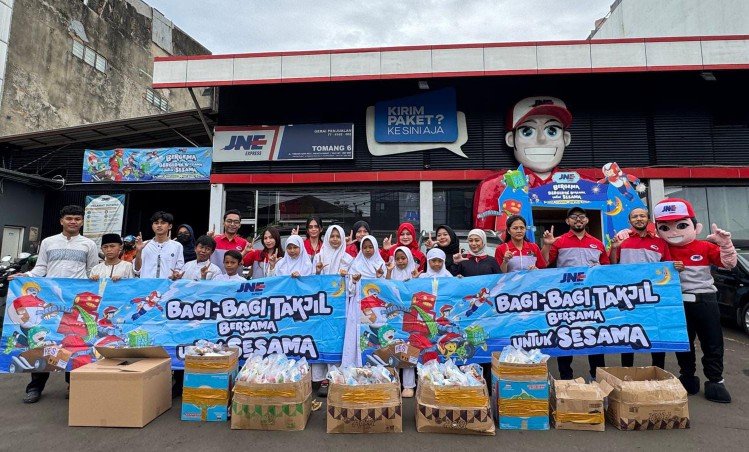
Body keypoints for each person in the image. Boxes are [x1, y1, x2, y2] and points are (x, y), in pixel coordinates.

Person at [9, 205, 99, 404]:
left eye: (77, 219)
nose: (73, 222)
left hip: (74, 303)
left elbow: (92, 270)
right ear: (61, 221)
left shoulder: (89, 244)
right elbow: (40, 268)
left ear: (82, 222)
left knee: (74, 342)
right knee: (44, 340)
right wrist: (25, 276)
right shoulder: (48, 242)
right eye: (69, 218)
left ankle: (73, 385)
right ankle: (35, 387)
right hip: (50, 301)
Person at [653, 198, 737, 403]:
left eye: (681, 225)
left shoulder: (705, 247)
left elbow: (729, 264)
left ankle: (715, 379)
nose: (673, 232)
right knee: (683, 342)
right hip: (676, 302)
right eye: (665, 227)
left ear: (695, 226)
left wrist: (726, 244)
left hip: (705, 300)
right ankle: (687, 376)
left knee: (712, 341)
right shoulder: (660, 248)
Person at [474, 96, 573, 231]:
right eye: (527, 131)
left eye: (552, 131)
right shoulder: (494, 186)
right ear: (511, 139)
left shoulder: (585, 185)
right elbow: (482, 236)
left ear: (566, 138)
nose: (541, 139)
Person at [542, 207, 609, 380]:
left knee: (594, 337)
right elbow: (544, 263)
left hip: (592, 299)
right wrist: (547, 245)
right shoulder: (559, 241)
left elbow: (607, 269)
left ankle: (597, 377)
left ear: (587, 220)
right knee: (565, 337)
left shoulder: (598, 243)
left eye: (581, 216)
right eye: (573, 217)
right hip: (566, 299)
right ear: (568, 221)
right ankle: (566, 379)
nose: (578, 219)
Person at [609, 207, 670, 369]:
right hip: (627, 296)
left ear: (648, 220)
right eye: (635, 216)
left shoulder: (660, 242)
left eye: (642, 216)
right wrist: (614, 248)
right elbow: (612, 265)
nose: (638, 219)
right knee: (628, 335)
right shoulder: (622, 241)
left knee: (656, 334)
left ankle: (658, 371)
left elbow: (667, 269)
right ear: (629, 221)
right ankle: (627, 373)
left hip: (653, 296)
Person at [311, 225, 351, 396]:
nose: (335, 239)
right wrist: (317, 271)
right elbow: (311, 282)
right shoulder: (319, 256)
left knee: (337, 340)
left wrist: (346, 276)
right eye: (332, 236)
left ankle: (336, 377)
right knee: (321, 338)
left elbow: (354, 283)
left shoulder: (348, 259)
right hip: (321, 306)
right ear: (327, 237)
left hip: (340, 308)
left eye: (338, 236)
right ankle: (322, 379)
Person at [343, 236, 385, 368]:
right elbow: (349, 289)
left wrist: (379, 277)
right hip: (358, 306)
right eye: (364, 247)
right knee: (356, 335)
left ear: (375, 248)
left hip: (377, 309)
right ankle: (354, 367)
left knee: (376, 335)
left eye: (370, 247)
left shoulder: (381, 264)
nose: (367, 250)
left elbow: (386, 289)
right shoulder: (356, 265)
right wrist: (355, 281)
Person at [134, 211, 184, 279]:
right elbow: (137, 270)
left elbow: (179, 268)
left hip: (167, 284)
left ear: (170, 226)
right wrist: (139, 251)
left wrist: (176, 274)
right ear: (152, 226)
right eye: (156, 223)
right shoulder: (144, 245)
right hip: (147, 284)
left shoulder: (177, 246)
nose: (159, 225)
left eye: (163, 223)